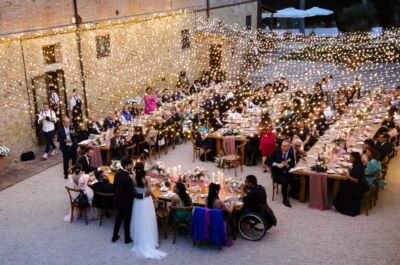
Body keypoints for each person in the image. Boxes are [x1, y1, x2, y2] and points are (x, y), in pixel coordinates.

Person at [130, 162, 167, 259]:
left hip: (137, 202)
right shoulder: (146, 178)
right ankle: (151, 241)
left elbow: (134, 191)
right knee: (149, 219)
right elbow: (149, 191)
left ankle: (139, 239)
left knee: (139, 219)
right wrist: (155, 198)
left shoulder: (133, 179)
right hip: (146, 201)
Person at [334, 152, 367, 217]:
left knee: (342, 188)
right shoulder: (358, 164)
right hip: (360, 183)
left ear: (356, 159)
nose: (350, 158)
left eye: (351, 157)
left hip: (357, 187)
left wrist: (347, 175)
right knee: (343, 184)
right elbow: (354, 170)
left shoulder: (358, 167)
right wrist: (347, 167)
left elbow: (356, 180)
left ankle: (340, 206)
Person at [267, 140, 295, 207]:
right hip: (277, 173)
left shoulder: (291, 153)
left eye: (284, 146)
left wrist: (287, 165)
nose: (282, 147)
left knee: (296, 178)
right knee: (285, 182)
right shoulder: (276, 152)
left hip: (287, 172)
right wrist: (277, 164)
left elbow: (292, 164)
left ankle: (292, 193)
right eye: (282, 145)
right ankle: (285, 200)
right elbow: (267, 161)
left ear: (289, 147)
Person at [112, 159, 134, 244]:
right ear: (126, 166)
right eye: (131, 165)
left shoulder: (117, 173)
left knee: (118, 218)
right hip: (126, 202)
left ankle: (114, 236)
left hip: (117, 200)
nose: (132, 166)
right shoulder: (128, 177)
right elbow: (130, 193)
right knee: (126, 220)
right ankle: (127, 238)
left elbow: (114, 187)